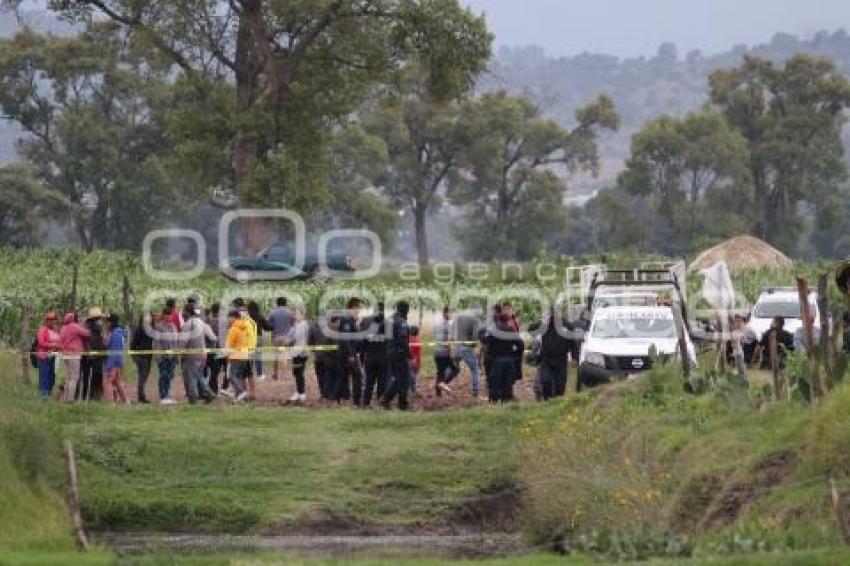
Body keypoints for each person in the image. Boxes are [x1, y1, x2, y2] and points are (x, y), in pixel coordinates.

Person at [483, 312, 524, 403]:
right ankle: (506, 399)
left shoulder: (494, 331)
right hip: (509, 359)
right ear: (508, 320)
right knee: (507, 381)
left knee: (495, 380)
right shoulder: (511, 330)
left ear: (499, 320)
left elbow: (487, 343)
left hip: (497, 359)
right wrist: (516, 354)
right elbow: (520, 344)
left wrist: (490, 355)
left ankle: (494, 400)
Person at [380, 301, 413, 410]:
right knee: (403, 379)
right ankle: (398, 402)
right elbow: (403, 340)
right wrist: (410, 356)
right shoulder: (401, 322)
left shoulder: (389, 319)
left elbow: (383, 334)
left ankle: (392, 401)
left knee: (396, 378)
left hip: (389, 352)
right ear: (406, 310)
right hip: (400, 354)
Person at [181, 306, 217, 404]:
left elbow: (183, 341)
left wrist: (179, 352)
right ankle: (209, 394)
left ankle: (193, 398)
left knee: (191, 377)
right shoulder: (201, 323)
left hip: (191, 355)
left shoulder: (188, 324)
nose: (182, 313)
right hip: (202, 354)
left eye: (183, 311)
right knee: (199, 376)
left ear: (188, 313)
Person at [537, 309, 573, 400]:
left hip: (561, 359)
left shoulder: (567, 326)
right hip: (546, 359)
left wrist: (575, 356)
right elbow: (532, 329)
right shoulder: (545, 326)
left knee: (560, 385)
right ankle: (547, 399)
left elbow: (573, 342)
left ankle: (558, 400)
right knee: (545, 381)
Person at [335, 297, 364, 406]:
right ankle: (355, 401)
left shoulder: (351, 318)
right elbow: (346, 338)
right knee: (356, 376)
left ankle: (339, 399)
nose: (359, 310)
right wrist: (351, 355)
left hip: (349, 353)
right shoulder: (346, 318)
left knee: (344, 376)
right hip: (347, 354)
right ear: (353, 307)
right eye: (359, 308)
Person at [361, 302, 389, 406]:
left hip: (370, 359)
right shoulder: (387, 324)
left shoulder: (368, 325)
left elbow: (363, 343)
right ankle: (380, 402)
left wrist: (362, 357)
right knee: (382, 383)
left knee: (369, 382)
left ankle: (366, 403)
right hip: (383, 359)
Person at [59, 311, 90, 402]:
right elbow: (87, 333)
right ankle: (70, 398)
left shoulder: (63, 328)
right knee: (74, 378)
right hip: (74, 355)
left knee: (68, 377)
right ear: (73, 319)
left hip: (65, 355)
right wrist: (85, 326)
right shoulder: (74, 326)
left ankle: (65, 397)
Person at [223, 309, 251, 403]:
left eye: (229, 317)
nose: (228, 319)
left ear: (234, 317)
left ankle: (242, 392)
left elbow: (229, 343)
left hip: (235, 356)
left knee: (231, 376)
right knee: (238, 377)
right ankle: (238, 398)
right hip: (244, 355)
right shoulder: (243, 327)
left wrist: (225, 353)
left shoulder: (234, 328)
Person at [453, 307, 482, 397]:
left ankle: (443, 381)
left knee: (453, 366)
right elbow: (474, 336)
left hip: (457, 345)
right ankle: (475, 392)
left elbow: (453, 330)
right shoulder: (474, 319)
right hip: (467, 348)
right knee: (475, 369)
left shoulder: (459, 316)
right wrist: (475, 346)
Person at [78, 307, 105, 401]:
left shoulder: (98, 327)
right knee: (89, 377)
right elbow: (87, 341)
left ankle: (92, 396)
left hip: (96, 356)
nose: (99, 320)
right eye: (98, 318)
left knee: (95, 376)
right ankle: (88, 396)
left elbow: (101, 341)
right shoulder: (89, 327)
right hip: (89, 356)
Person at [103, 313, 130, 405]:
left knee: (108, 382)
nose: (106, 324)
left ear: (111, 323)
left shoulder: (115, 334)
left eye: (108, 322)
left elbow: (114, 350)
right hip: (118, 361)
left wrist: (110, 365)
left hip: (113, 362)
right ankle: (126, 401)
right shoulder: (118, 332)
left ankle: (110, 403)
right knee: (117, 382)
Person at [154, 310, 178, 404]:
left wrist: (176, 355)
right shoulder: (158, 327)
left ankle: (167, 392)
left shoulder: (174, 327)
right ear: (163, 316)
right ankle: (163, 393)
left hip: (172, 356)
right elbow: (157, 342)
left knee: (170, 375)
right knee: (163, 375)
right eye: (167, 315)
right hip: (163, 356)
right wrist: (158, 356)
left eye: (170, 315)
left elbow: (176, 342)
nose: (169, 317)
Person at [433, 306, 459, 396]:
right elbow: (448, 341)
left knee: (440, 373)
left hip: (436, 352)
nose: (451, 315)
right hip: (444, 353)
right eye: (450, 312)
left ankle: (438, 394)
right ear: (445, 313)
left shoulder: (437, 323)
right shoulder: (448, 325)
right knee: (456, 369)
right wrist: (450, 352)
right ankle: (442, 384)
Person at [286, 308, 309, 403]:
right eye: (295, 314)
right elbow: (289, 338)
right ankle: (298, 392)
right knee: (296, 373)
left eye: (297, 314)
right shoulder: (295, 325)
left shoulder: (303, 325)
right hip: (296, 352)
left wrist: (290, 338)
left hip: (301, 353)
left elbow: (296, 337)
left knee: (299, 373)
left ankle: (301, 393)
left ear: (302, 315)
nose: (295, 315)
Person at [268, 297, 294, 381]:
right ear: (285, 303)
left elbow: (269, 325)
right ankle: (284, 376)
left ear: (277, 303)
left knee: (275, 356)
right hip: (286, 337)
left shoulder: (272, 312)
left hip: (276, 337)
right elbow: (293, 324)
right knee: (283, 355)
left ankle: (275, 374)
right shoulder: (290, 313)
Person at [36, 311, 61, 398]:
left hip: (53, 356)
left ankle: (49, 392)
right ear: (46, 321)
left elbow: (59, 342)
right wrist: (53, 345)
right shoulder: (42, 330)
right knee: (44, 375)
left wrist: (59, 346)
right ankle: (43, 393)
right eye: (50, 320)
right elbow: (41, 343)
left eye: (53, 320)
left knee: (52, 375)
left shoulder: (55, 331)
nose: (52, 322)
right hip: (44, 356)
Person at [130, 313, 154, 403]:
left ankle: (141, 395)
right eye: (147, 316)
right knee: (142, 376)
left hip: (149, 356)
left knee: (145, 376)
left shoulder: (151, 329)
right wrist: (134, 356)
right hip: (141, 357)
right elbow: (133, 344)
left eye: (150, 316)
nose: (149, 318)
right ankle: (141, 397)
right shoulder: (139, 329)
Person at [309, 313, 332, 399]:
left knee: (320, 375)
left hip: (318, 355)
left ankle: (323, 393)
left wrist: (314, 350)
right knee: (328, 375)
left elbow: (310, 341)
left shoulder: (313, 326)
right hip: (329, 355)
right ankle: (328, 393)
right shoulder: (330, 326)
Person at [248, 300, 272, 381]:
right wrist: (273, 327)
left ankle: (249, 374)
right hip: (258, 337)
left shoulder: (247, 317)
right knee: (258, 356)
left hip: (249, 338)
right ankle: (259, 375)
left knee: (250, 356)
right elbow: (267, 327)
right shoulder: (260, 316)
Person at [205, 304, 226, 394]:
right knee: (217, 370)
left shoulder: (208, 320)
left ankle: (213, 389)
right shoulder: (221, 322)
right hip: (219, 349)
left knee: (214, 371)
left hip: (210, 348)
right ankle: (217, 389)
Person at [408, 325, 421, 396]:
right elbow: (417, 353)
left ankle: (413, 390)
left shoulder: (408, 339)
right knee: (414, 377)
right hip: (414, 361)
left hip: (410, 360)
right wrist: (415, 361)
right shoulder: (416, 340)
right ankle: (414, 391)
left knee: (411, 376)